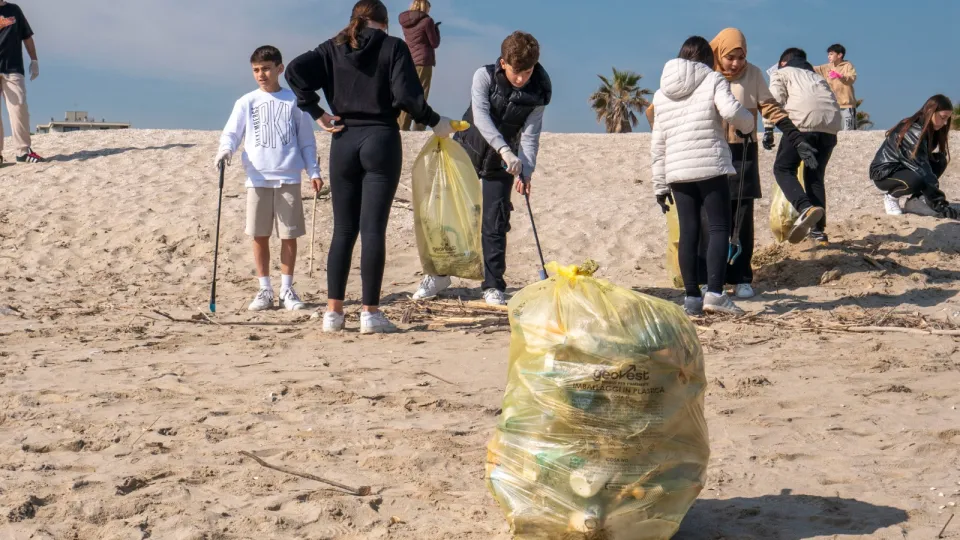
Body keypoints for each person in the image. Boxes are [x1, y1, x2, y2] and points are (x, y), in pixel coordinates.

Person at [285, 0, 456, 334]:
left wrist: (316, 111)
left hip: (343, 139)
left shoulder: (333, 47)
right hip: (381, 138)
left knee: (343, 230)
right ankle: (370, 313)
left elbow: (293, 71)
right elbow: (407, 96)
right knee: (373, 229)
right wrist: (436, 121)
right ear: (385, 23)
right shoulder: (393, 47)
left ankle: (333, 314)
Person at [412, 31, 551, 306]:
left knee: (495, 222)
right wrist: (505, 150)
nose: (521, 79)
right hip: (467, 151)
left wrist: (526, 170)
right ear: (503, 63)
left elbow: (531, 135)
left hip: (502, 164)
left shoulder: (539, 90)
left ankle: (493, 285)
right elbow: (481, 117)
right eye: (516, 72)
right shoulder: (483, 76)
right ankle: (439, 276)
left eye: (527, 72)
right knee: (448, 216)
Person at [651, 36, 755, 316]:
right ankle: (716, 294)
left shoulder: (661, 93)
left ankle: (691, 298)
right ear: (709, 59)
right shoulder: (713, 79)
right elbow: (731, 111)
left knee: (689, 231)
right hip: (710, 164)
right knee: (719, 227)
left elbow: (658, 143)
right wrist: (747, 125)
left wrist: (659, 185)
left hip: (677, 170)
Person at [216, 46, 323, 313]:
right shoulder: (246, 101)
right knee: (259, 234)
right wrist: (225, 151)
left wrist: (314, 171)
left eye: (266, 69)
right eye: (256, 70)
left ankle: (287, 289)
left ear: (279, 68)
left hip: (288, 176)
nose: (261, 75)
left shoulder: (294, 100)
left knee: (289, 235)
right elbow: (232, 133)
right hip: (257, 178)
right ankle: (265, 289)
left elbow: (306, 141)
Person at [709, 28, 814, 299]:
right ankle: (712, 279)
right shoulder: (707, 74)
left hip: (743, 151)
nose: (736, 64)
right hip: (712, 151)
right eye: (730, 57)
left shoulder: (753, 74)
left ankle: (742, 277)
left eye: (741, 57)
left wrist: (795, 136)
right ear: (719, 54)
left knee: (742, 218)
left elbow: (770, 106)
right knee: (714, 218)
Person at [768, 47, 842, 245]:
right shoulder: (817, 76)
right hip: (831, 127)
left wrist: (768, 128)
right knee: (815, 176)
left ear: (783, 62)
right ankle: (818, 231)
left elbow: (773, 100)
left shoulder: (781, 72)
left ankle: (805, 208)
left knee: (783, 169)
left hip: (802, 124)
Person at [870, 95, 954, 218]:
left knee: (939, 161)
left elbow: (923, 164)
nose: (945, 122)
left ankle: (914, 201)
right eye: (942, 117)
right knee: (917, 179)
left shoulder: (930, 128)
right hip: (885, 173)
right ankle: (891, 197)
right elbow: (922, 168)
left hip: (905, 167)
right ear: (930, 112)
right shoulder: (914, 131)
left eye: (947, 118)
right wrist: (939, 203)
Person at [0, 0, 43, 164]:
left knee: (19, 109)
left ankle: (23, 152)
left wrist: (34, 60)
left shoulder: (14, 10)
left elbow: (27, 36)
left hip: (13, 68)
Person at [397, 0, 440, 131]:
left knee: (408, 93)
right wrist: (436, 30)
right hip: (423, 61)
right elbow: (434, 43)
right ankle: (419, 126)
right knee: (422, 94)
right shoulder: (427, 21)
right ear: (425, 7)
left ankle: (402, 126)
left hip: (409, 59)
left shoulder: (405, 22)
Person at [814, 44, 857, 131]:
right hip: (833, 106)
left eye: (831, 54)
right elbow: (813, 69)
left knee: (848, 131)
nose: (828, 56)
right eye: (828, 54)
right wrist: (799, 63)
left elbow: (852, 78)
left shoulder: (848, 66)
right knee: (834, 132)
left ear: (839, 55)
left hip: (847, 106)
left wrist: (840, 76)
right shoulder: (827, 67)